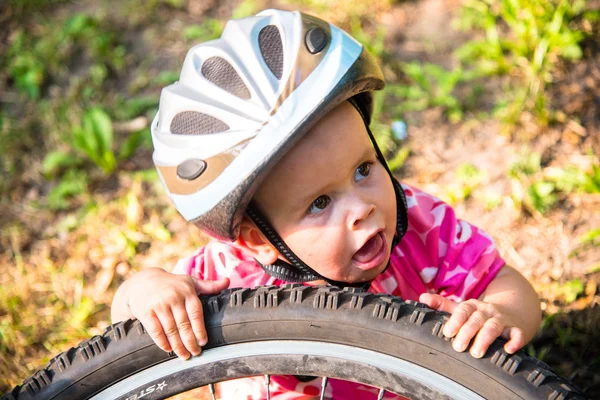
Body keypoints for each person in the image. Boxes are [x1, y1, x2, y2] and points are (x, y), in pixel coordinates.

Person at [111, 9, 541, 399]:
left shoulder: (421, 228)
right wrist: (148, 290)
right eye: (319, 202)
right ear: (260, 239)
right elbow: (126, 324)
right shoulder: (230, 278)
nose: (362, 209)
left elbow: (503, 281)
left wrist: (498, 312)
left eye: (363, 170)